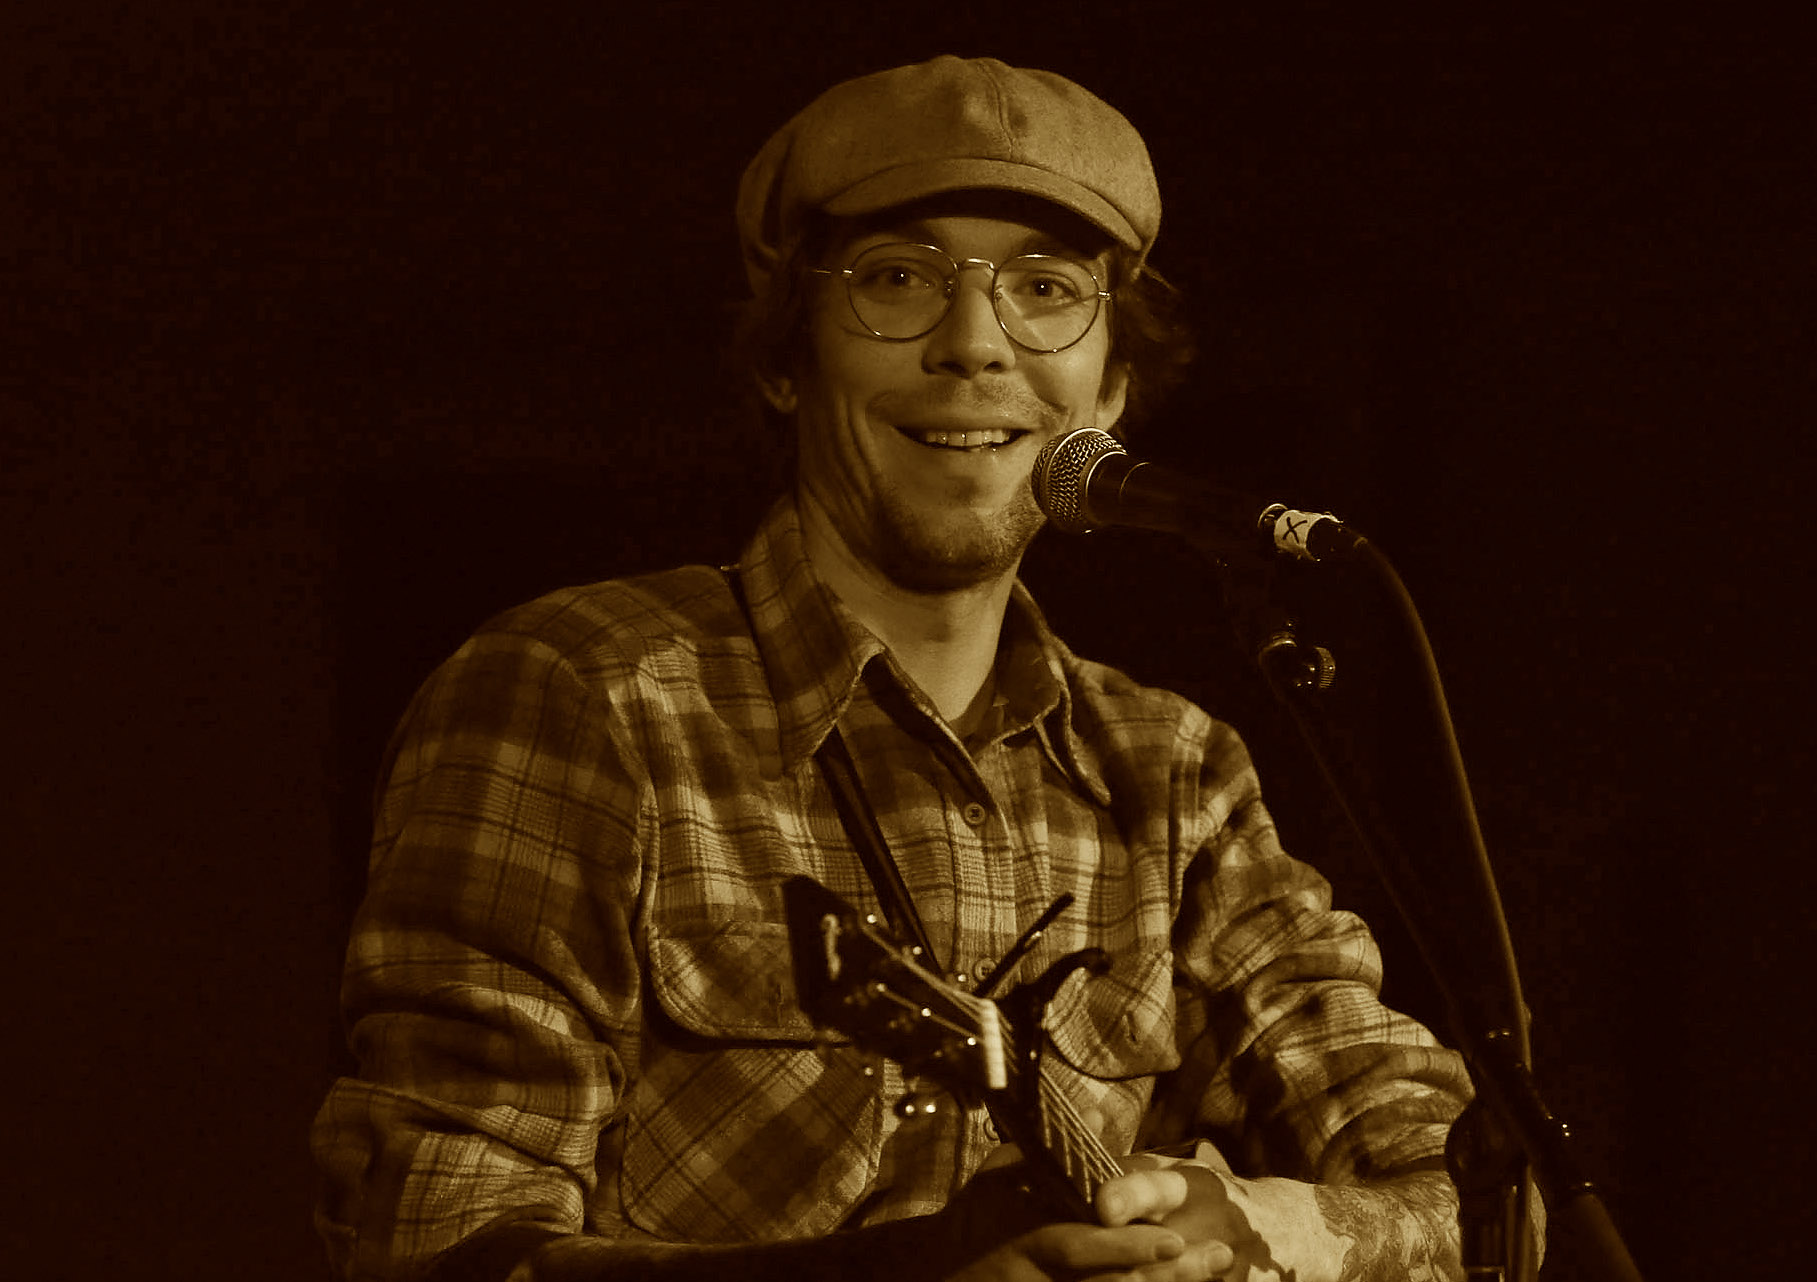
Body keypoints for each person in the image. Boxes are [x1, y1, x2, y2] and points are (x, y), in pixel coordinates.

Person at [313, 55, 1477, 1282]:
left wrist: (1267, 1229)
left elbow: (1480, 1189)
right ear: (786, 359)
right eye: (898, 280)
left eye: (1044, 288)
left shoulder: (1173, 775)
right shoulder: (578, 698)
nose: (974, 345)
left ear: (1111, 390)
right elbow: (437, 1242)